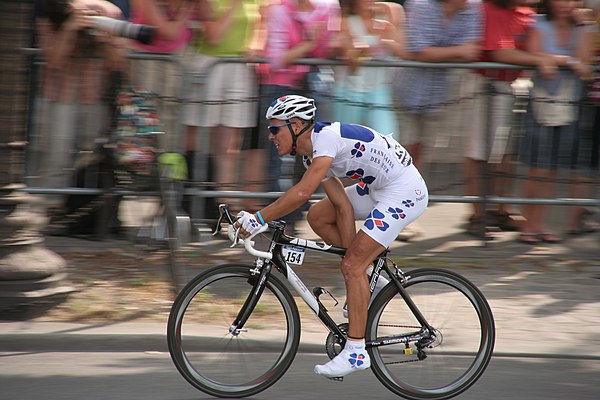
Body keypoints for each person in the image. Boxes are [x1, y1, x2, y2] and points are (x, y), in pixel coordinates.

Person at [235, 95, 429, 378]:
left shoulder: (325, 140)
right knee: (319, 218)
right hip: (377, 189)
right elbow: (341, 206)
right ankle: (370, 280)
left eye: (275, 128)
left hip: (404, 192)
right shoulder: (309, 153)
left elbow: (301, 193)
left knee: (352, 266)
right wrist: (355, 259)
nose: (269, 136)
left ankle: (356, 351)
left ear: (297, 125)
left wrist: (259, 218)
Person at [463, 0, 566, 239]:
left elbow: (533, 43)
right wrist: (543, 60)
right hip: (486, 83)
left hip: (512, 85)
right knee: (479, 152)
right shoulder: (489, 9)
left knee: (506, 154)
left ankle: (500, 210)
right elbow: (502, 52)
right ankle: (477, 215)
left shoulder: (526, 13)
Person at [34, 0, 127, 232]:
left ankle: (81, 215)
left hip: (95, 96)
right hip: (59, 95)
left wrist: (99, 40)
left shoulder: (108, 12)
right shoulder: (52, 11)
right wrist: (69, 28)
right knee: (57, 156)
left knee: (91, 158)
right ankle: (48, 212)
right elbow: (53, 60)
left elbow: (119, 61)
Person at [517, 0, 595, 243]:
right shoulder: (539, 24)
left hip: (569, 105)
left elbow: (585, 65)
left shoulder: (583, 27)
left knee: (552, 168)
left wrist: (583, 29)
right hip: (541, 103)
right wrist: (567, 61)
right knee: (538, 166)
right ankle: (529, 225)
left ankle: (541, 224)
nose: (565, 4)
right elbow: (535, 54)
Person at [330, 0, 405, 137]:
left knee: (389, 139)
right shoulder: (346, 20)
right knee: (345, 141)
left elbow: (404, 52)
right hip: (349, 90)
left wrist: (385, 39)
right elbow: (351, 65)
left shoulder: (390, 13)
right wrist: (358, 52)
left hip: (378, 89)